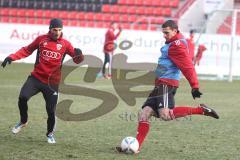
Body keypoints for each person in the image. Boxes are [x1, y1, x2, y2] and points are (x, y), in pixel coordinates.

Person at [116, 20, 219, 153]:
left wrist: (194, 86)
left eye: (166, 32)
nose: (164, 35)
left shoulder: (177, 45)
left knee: (165, 115)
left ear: (175, 31)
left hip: (166, 84)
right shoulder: (174, 42)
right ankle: (135, 147)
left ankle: (201, 110)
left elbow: (187, 65)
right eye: (163, 33)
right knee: (145, 113)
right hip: (160, 84)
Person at [1, 18, 84, 144]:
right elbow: (27, 50)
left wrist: (80, 55)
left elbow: (77, 60)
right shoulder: (41, 40)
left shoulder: (66, 44)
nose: (57, 32)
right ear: (50, 29)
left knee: (51, 111)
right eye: (55, 30)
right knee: (23, 97)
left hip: (52, 83)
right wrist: (12, 57)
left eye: (60, 30)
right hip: (36, 78)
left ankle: (50, 134)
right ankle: (23, 121)